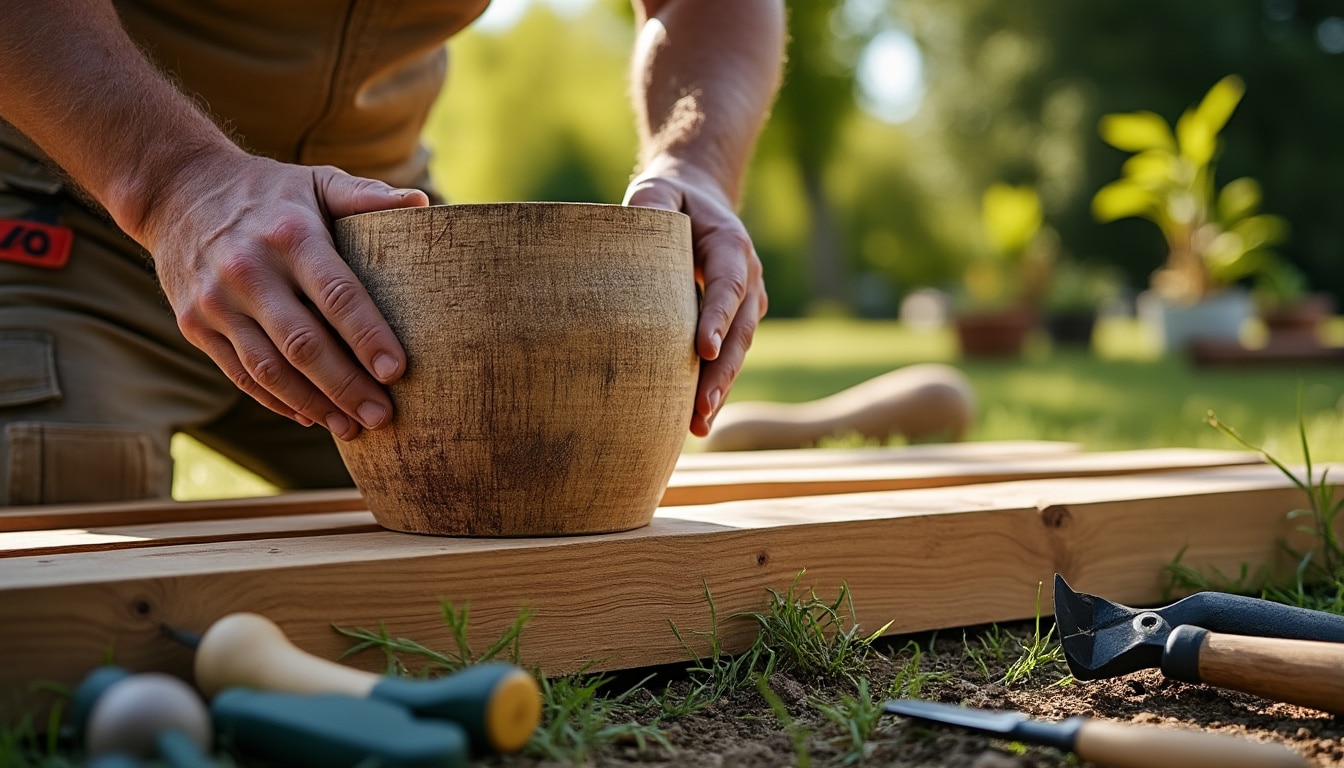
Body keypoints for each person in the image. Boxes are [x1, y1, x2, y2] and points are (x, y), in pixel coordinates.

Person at [0, 0, 785, 505]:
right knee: (57, 535)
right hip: (82, 199)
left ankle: (759, 429)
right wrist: (172, 185)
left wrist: (695, 163)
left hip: (389, 255)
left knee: (549, 481)